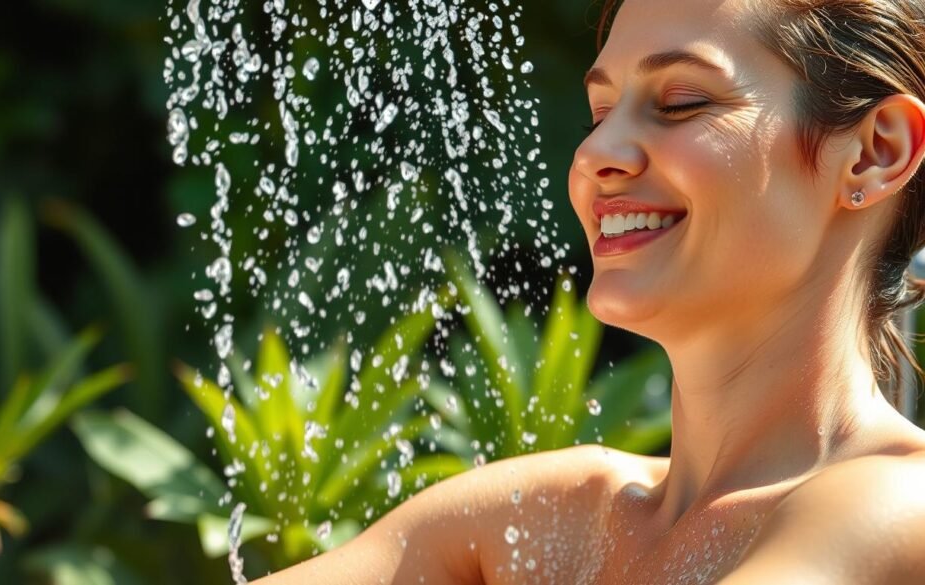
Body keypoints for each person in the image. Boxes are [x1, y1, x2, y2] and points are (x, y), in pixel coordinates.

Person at [253, 0, 925, 582]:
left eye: (681, 102)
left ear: (877, 151)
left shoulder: (896, 501)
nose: (596, 152)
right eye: (600, 113)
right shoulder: (556, 512)